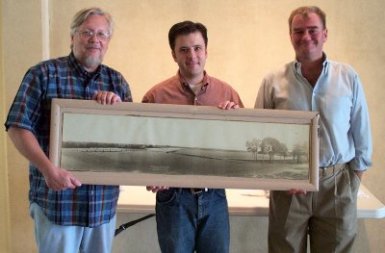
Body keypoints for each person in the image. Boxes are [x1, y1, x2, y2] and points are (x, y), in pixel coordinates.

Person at [4, 7, 132, 253]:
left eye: (102, 34)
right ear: (72, 36)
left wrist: (115, 112)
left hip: (101, 205)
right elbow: (17, 127)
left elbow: (128, 140)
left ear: (108, 41)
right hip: (58, 204)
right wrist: (48, 170)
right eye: (87, 32)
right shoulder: (43, 74)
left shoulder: (117, 82)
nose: (95, 40)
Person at [255, 6, 372, 253]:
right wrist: (277, 177)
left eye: (312, 30)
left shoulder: (348, 77)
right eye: (298, 31)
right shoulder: (273, 82)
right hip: (288, 187)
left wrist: (352, 180)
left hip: (336, 186)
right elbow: (259, 134)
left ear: (325, 33)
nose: (306, 37)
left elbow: (362, 131)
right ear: (290, 35)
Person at [142, 21, 244, 253]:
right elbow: (143, 147)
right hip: (173, 198)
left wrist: (233, 120)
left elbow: (243, 144)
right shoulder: (156, 96)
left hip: (215, 196)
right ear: (173, 55)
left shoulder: (228, 94)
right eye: (184, 50)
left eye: (197, 48)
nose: (192, 55)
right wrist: (152, 173)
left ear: (206, 50)